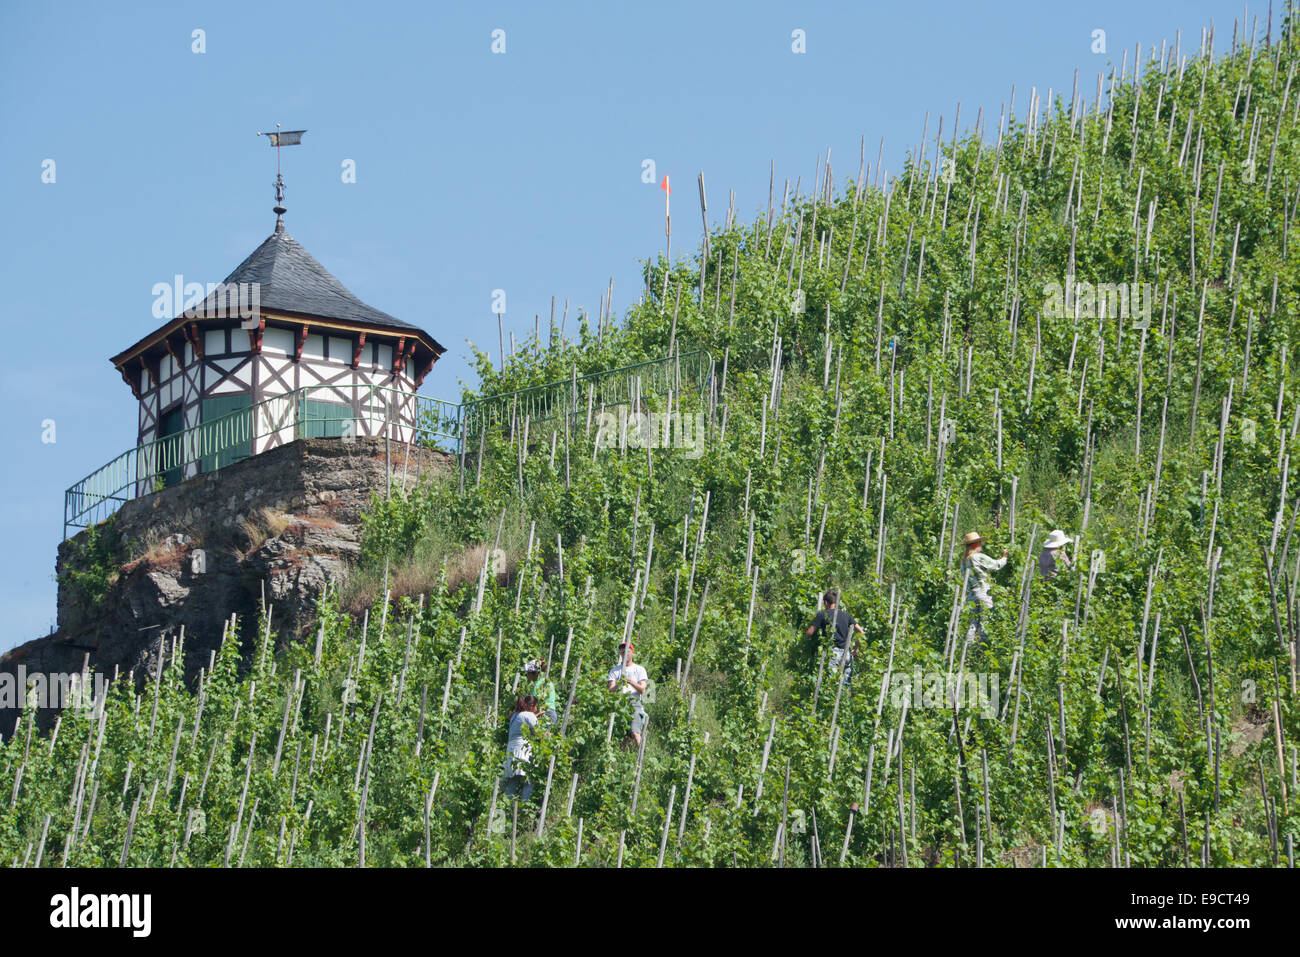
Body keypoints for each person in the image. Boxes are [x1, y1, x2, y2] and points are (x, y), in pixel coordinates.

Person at [806, 589, 866, 684]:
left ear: (826, 602)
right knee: (845, 685)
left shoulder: (822, 614)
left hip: (833, 653)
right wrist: (855, 648)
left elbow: (810, 632)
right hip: (846, 654)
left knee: (831, 685)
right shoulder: (846, 615)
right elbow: (861, 632)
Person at [960, 531, 1007, 644]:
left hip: (971, 596)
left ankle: (968, 649)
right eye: (979, 542)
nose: (981, 544)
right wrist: (1004, 557)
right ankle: (983, 649)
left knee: (973, 624)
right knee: (986, 622)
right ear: (975, 544)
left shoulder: (963, 561)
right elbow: (996, 565)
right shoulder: (977, 557)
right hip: (983, 594)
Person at [606, 641, 648, 750]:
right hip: (619, 703)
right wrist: (619, 684)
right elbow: (611, 690)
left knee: (635, 732)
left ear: (632, 652)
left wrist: (630, 682)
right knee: (622, 738)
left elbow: (642, 689)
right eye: (622, 651)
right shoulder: (615, 671)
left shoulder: (639, 669)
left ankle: (642, 757)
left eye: (627, 651)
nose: (625, 653)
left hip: (633, 702)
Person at [502, 695, 539, 800]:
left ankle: (506, 806)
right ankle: (525, 805)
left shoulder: (515, 715)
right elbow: (538, 734)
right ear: (532, 706)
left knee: (514, 780)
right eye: (536, 707)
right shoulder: (529, 715)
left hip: (511, 750)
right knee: (530, 779)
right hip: (523, 750)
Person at [524, 658, 558, 724]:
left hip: (545, 713)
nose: (527, 676)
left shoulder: (537, 685)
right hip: (552, 713)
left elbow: (532, 703)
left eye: (528, 673)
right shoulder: (547, 682)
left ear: (535, 673)